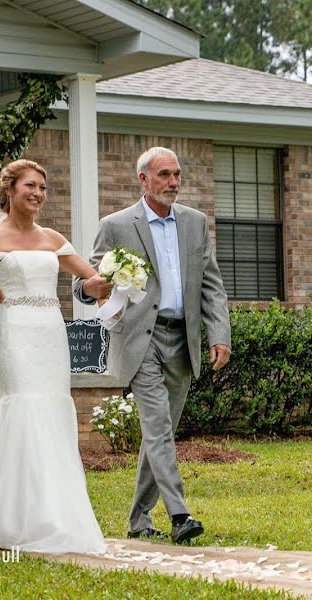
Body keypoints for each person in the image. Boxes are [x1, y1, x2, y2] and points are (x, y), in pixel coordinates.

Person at [0, 159, 112, 553]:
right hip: (15, 332)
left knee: (53, 409)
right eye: (30, 185)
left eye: (42, 187)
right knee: (22, 408)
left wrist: (107, 282)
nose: (38, 193)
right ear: (9, 190)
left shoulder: (53, 239)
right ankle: (6, 516)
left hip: (51, 333)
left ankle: (53, 515)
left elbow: (89, 280)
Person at [74, 147, 232, 544]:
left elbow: (211, 284)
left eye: (177, 174)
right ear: (143, 180)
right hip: (139, 338)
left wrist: (219, 334)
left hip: (183, 338)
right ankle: (180, 514)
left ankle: (139, 519)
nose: (174, 182)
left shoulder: (195, 223)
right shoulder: (115, 225)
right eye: (164, 175)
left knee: (160, 432)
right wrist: (93, 288)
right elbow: (85, 282)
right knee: (158, 425)